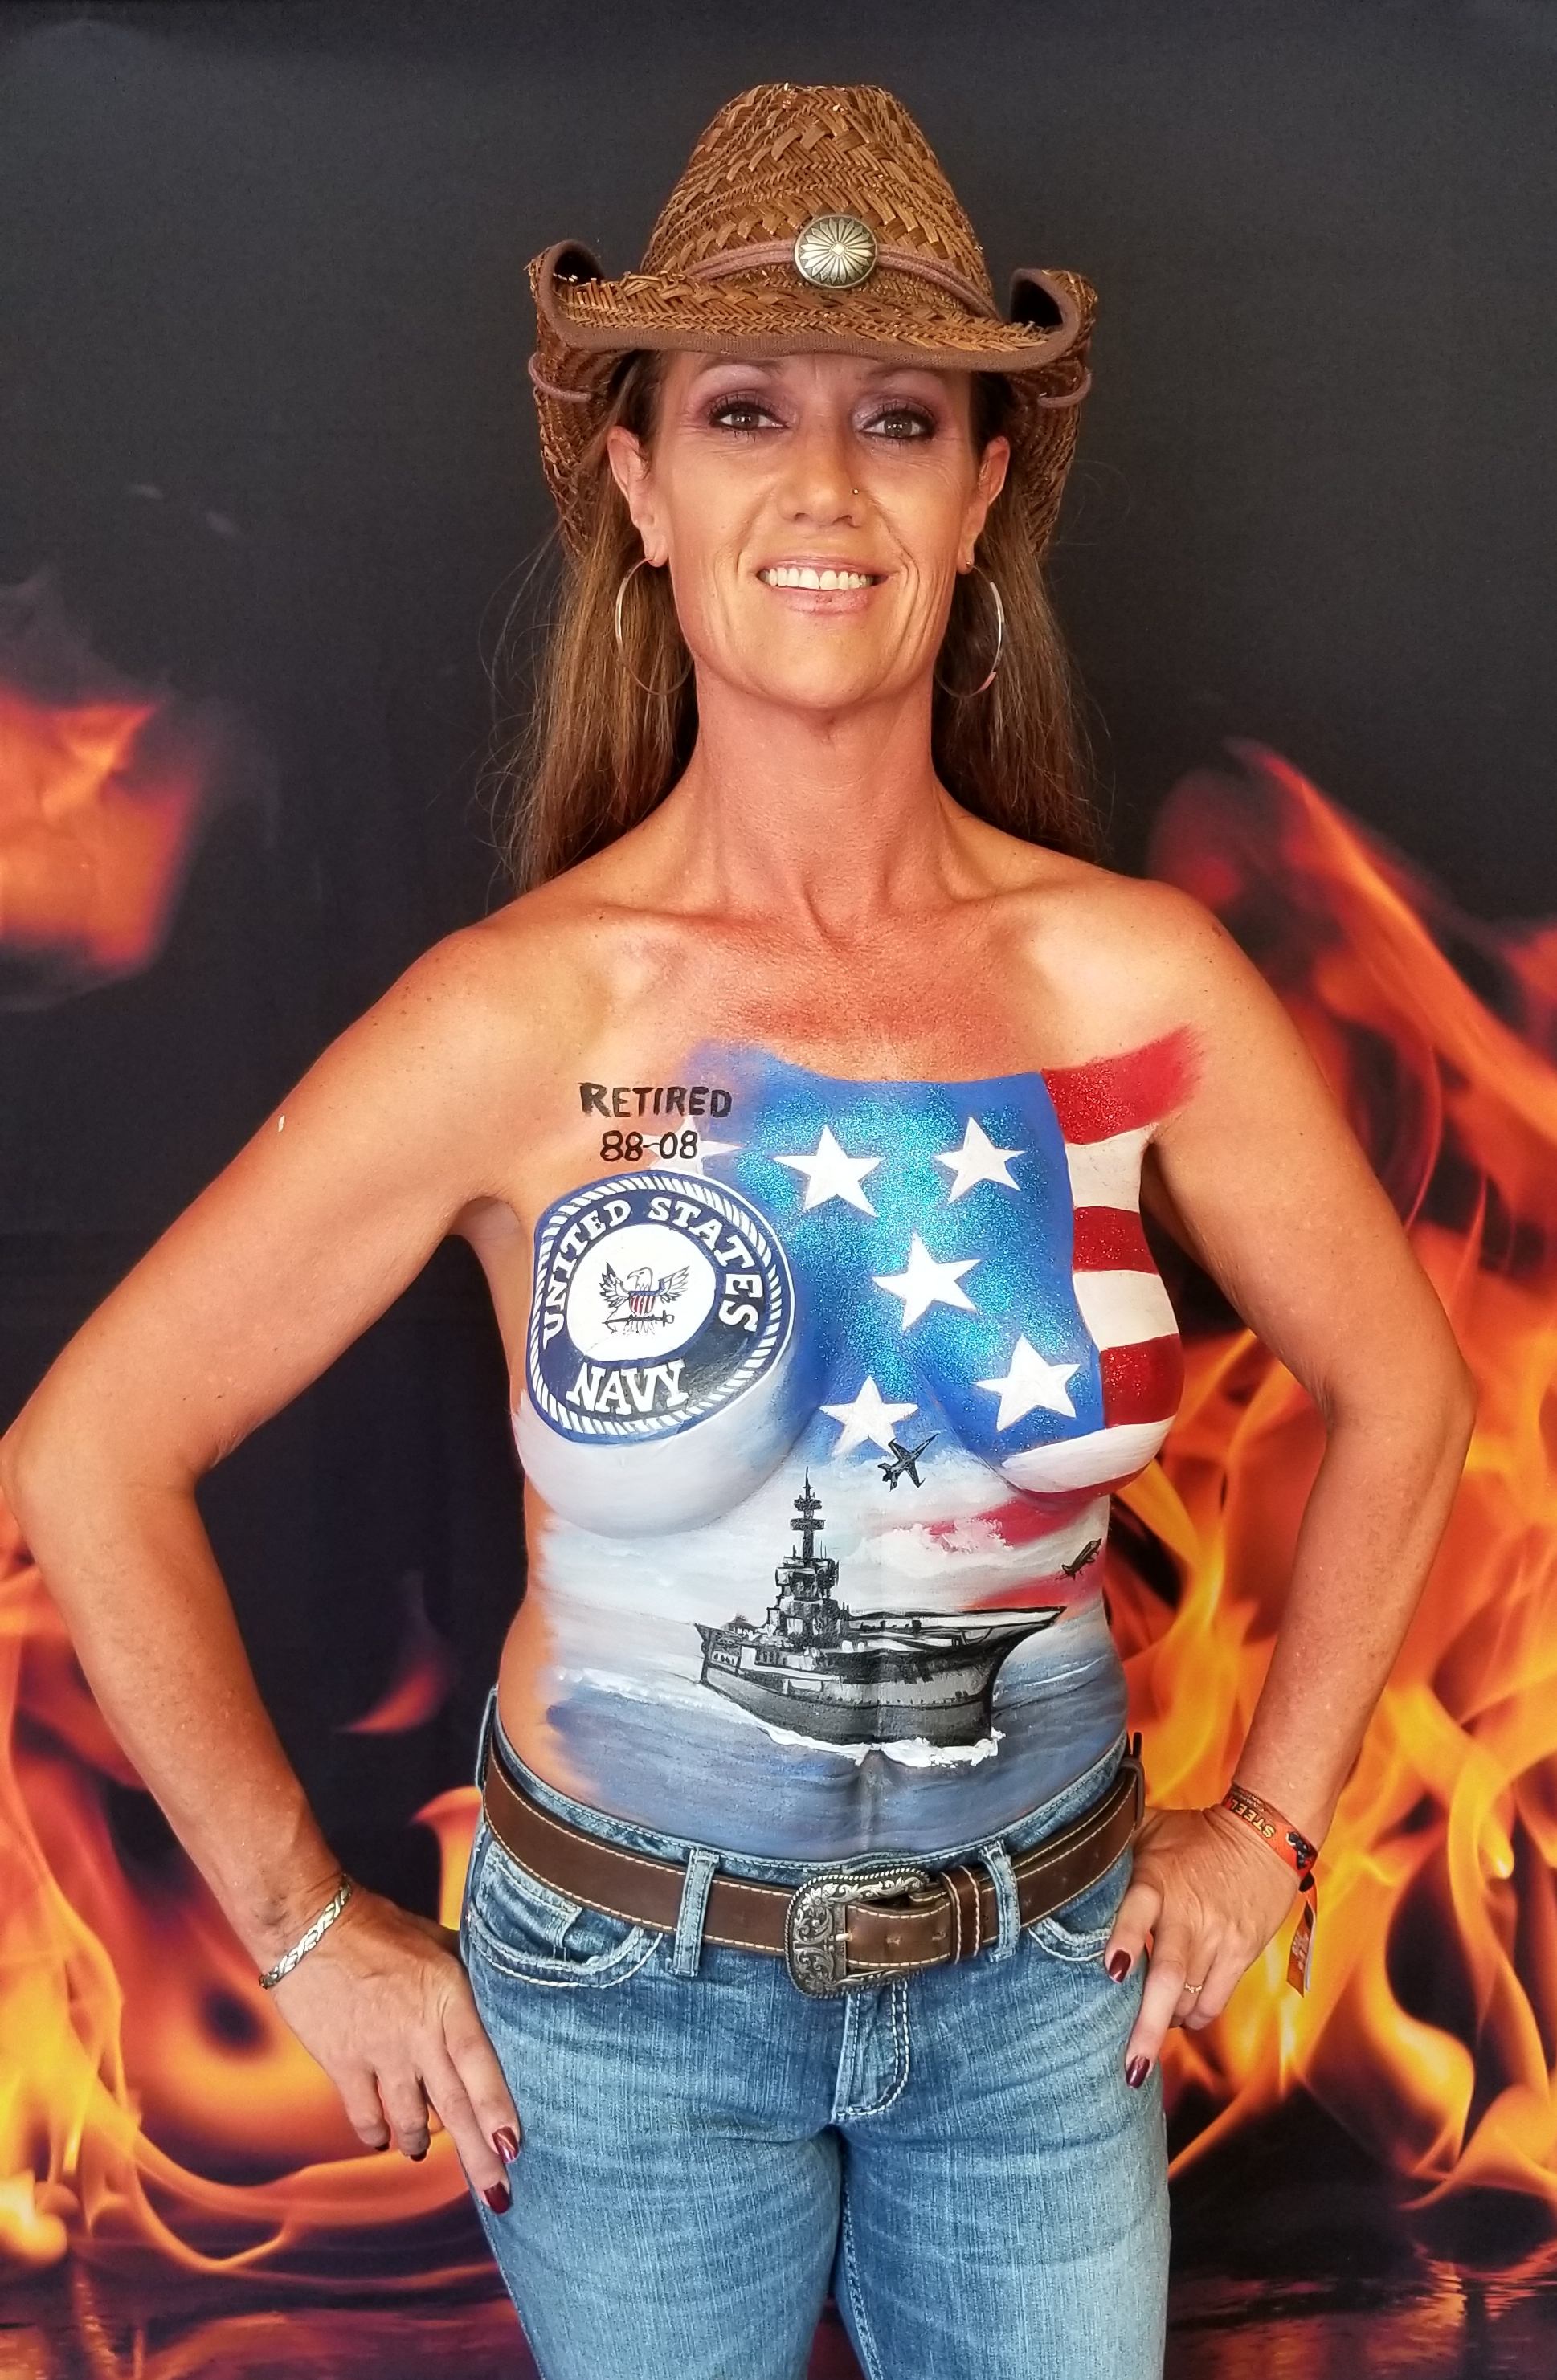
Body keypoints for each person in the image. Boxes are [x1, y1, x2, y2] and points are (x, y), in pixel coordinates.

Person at [0, 81, 1473, 2380]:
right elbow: (91, 1448)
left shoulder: (1136, 985)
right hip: (621, 2013)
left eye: (899, 419)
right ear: (639, 483)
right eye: (742, 411)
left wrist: (1270, 1827)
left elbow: (1406, 1392)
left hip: (1044, 1989)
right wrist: (302, 1929)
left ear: (979, 491)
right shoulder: (518, 1017)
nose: (822, 487)